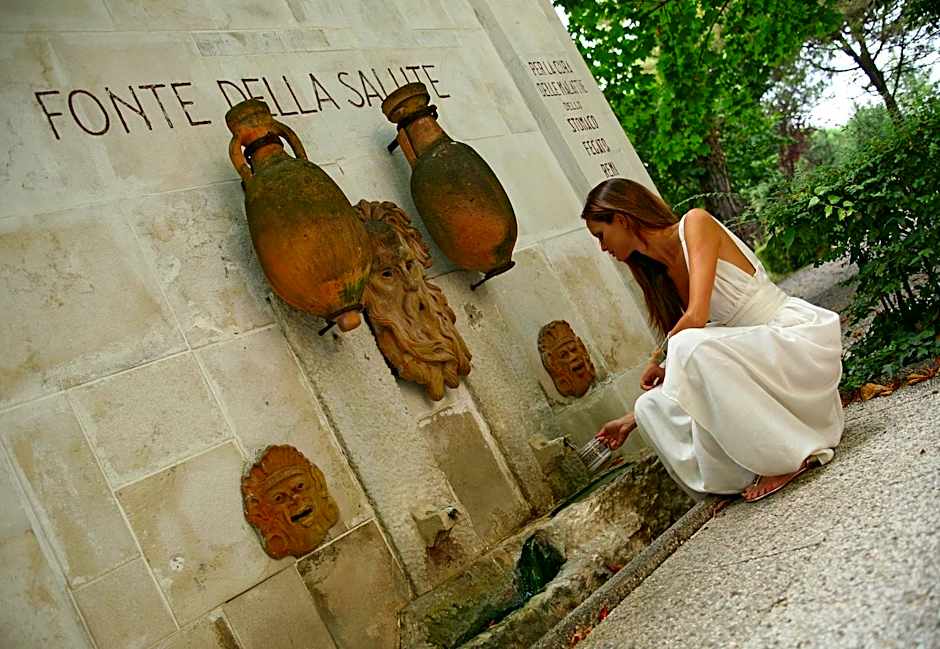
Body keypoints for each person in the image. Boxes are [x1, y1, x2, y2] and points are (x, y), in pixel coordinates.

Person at [584, 178, 844, 501]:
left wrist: (659, 359)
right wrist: (629, 421)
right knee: (647, 406)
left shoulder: (695, 223)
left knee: (685, 347)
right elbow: (703, 342)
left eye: (600, 235)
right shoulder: (659, 274)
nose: (602, 247)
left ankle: (786, 456)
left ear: (621, 219)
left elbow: (695, 318)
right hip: (747, 354)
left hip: (786, 340)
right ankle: (744, 471)